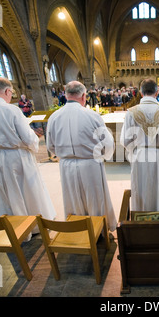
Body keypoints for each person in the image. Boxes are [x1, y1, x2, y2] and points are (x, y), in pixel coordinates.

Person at [0, 77, 56, 224]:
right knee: (26, 189)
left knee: (4, 192)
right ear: (7, 91)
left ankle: (13, 223)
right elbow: (28, 137)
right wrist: (34, 145)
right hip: (16, 156)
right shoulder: (11, 110)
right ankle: (34, 224)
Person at [46, 81, 117, 231]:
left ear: (65, 95)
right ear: (84, 96)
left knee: (73, 198)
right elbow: (108, 142)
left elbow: (50, 145)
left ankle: (78, 230)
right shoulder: (92, 115)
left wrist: (64, 156)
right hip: (90, 164)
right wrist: (103, 156)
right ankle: (99, 231)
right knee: (95, 199)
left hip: (66, 165)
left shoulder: (54, 117)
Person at [120, 79, 159, 211]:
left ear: (141, 93)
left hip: (139, 156)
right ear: (157, 92)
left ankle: (140, 220)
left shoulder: (131, 113)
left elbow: (124, 140)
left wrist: (135, 150)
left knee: (140, 189)